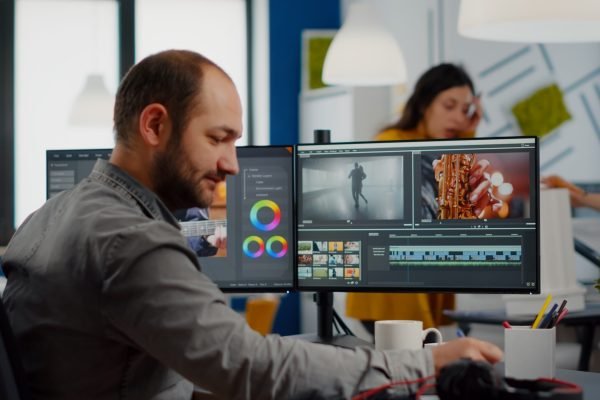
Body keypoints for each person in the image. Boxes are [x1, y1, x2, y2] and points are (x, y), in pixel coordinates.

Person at [1, 51, 501, 400]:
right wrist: (425, 363)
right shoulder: (131, 243)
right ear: (154, 126)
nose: (233, 165)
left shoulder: (49, 214)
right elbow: (252, 367)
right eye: (218, 139)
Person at [346, 63, 484, 335]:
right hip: (391, 288)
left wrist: (468, 134)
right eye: (449, 106)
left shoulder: (443, 146)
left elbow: (454, 201)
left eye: (465, 109)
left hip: (422, 272)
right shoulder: (391, 141)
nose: (458, 117)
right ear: (424, 104)